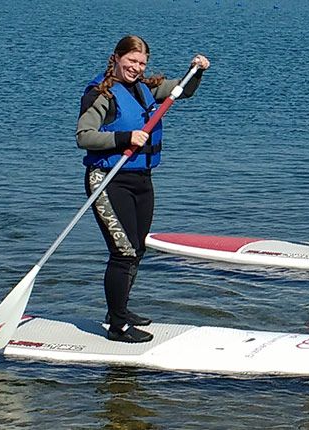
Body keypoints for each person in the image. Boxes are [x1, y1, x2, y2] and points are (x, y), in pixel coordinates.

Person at [76, 35, 209, 343]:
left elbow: (183, 89)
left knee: (137, 248)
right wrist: (124, 138)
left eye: (141, 63)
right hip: (108, 180)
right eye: (131, 61)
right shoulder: (101, 93)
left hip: (141, 180)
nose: (135, 68)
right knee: (123, 251)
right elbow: (84, 136)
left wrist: (197, 70)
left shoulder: (145, 87)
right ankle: (118, 327)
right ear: (116, 58)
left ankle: (117, 311)